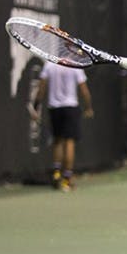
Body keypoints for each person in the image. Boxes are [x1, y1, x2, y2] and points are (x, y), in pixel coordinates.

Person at [29, 62, 94, 192]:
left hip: (55, 109)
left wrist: (36, 107)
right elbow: (84, 90)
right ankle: (66, 180)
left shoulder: (49, 65)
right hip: (70, 108)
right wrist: (88, 107)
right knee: (69, 142)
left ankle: (56, 173)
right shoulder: (75, 65)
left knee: (57, 140)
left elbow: (41, 88)